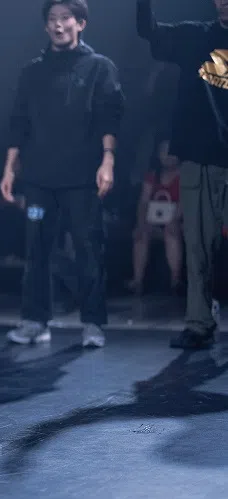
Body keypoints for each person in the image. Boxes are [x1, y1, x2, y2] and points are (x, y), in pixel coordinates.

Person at [0, 0, 125, 348]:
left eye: (65, 18)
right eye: (52, 19)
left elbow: (109, 118)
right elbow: (18, 123)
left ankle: (93, 324)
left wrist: (108, 161)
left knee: (88, 248)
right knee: (36, 248)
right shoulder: (32, 71)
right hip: (39, 178)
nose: (58, 25)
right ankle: (35, 321)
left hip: (83, 178)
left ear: (80, 23)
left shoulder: (100, 67)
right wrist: (10, 167)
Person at [137, 0, 228, 349]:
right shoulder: (196, 36)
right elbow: (150, 31)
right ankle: (200, 322)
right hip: (199, 158)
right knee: (198, 244)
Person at [129, 140, 184, 294]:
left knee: (171, 233)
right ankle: (137, 281)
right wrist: (141, 223)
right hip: (154, 221)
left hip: (178, 222)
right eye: (164, 152)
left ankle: (175, 280)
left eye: (171, 152)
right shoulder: (152, 176)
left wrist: (174, 220)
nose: (168, 156)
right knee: (140, 234)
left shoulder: (184, 176)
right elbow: (143, 201)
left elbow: (184, 203)